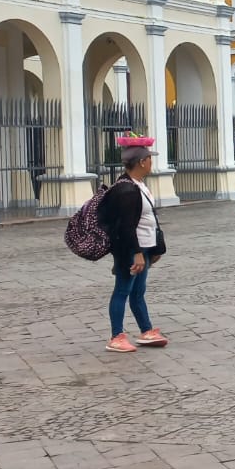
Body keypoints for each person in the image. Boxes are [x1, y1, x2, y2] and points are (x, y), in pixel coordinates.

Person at [101, 135, 167, 353]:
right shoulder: (126, 189)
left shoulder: (139, 185)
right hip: (131, 249)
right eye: (149, 158)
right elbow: (126, 227)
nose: (151, 162)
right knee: (123, 289)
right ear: (141, 162)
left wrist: (154, 249)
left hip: (144, 246)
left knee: (138, 291)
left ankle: (146, 330)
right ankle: (116, 336)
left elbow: (149, 218)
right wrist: (136, 253)